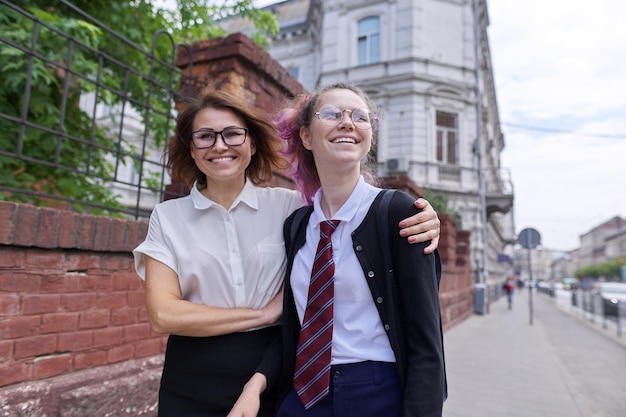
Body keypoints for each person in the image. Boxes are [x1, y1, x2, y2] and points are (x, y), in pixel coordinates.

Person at [132, 90, 442, 417]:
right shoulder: (169, 216)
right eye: (205, 136)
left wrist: (425, 217)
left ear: (252, 144)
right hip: (198, 373)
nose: (220, 145)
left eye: (233, 134)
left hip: (277, 370)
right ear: (190, 149)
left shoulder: (290, 208)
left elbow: (349, 200)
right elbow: (163, 314)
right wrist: (263, 314)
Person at [275, 83, 446, 417]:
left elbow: (427, 340)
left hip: (376, 391)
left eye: (359, 116)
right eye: (332, 114)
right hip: (302, 391)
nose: (347, 122)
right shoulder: (295, 225)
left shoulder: (399, 212)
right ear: (307, 137)